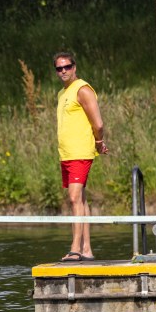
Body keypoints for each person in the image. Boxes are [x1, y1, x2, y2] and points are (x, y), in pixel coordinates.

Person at [54, 51, 108, 262]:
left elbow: (99, 123)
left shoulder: (83, 90)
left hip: (80, 152)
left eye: (67, 67)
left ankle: (75, 249)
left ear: (74, 67)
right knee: (81, 200)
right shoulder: (62, 93)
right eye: (59, 68)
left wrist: (99, 142)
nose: (64, 71)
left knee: (74, 198)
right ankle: (86, 250)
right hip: (66, 154)